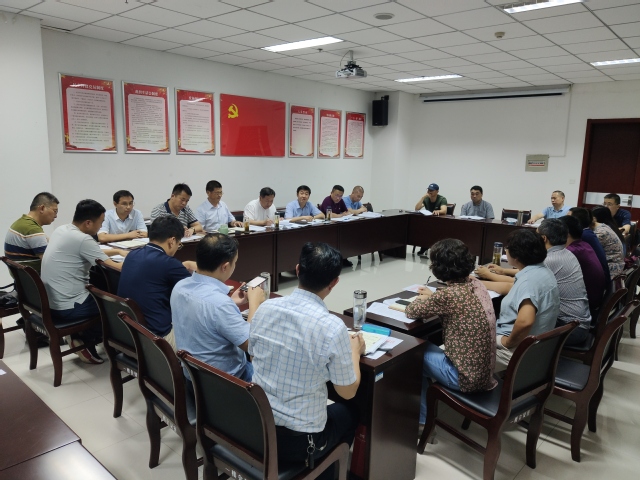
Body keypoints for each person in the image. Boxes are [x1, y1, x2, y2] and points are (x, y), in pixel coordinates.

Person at [249, 243, 365, 480]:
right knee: (352, 410)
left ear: (297, 270)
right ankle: (325, 472)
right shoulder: (332, 327)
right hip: (298, 442)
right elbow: (347, 391)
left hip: (255, 425)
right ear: (334, 282)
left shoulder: (265, 308)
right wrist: (355, 352)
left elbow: (253, 356)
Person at [404, 239, 497, 432]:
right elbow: (453, 303)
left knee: (412, 353)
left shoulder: (448, 296)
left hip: (464, 379)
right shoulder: (477, 284)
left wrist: (424, 299)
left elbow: (412, 311)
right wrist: (433, 298)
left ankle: (422, 422)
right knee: (425, 344)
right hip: (484, 374)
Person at [41, 200, 128, 364]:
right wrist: (137, 259)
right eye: (100, 223)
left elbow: (92, 250)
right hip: (70, 307)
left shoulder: (62, 230)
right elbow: (115, 267)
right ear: (88, 223)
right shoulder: (82, 239)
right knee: (119, 307)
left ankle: (80, 336)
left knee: (102, 288)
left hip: (51, 301)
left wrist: (117, 250)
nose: (100, 227)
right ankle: (86, 340)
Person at [172, 234, 265, 380]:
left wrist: (231, 301)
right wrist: (255, 303)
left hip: (192, 375)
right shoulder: (220, 305)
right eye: (235, 262)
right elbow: (250, 344)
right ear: (225, 267)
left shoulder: (179, 287)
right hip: (226, 382)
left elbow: (203, 312)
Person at [117, 216, 197, 350]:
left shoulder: (132, 255)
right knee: (207, 337)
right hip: (156, 339)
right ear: (172, 241)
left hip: (128, 331)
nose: (177, 248)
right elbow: (197, 294)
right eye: (179, 244)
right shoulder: (169, 263)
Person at [492, 229, 559, 371]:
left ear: (516, 256)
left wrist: (507, 342)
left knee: (454, 350)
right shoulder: (542, 271)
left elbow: (525, 322)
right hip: (538, 348)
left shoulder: (528, 281)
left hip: (516, 352)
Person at [537, 219, 592, 346]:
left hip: (570, 329)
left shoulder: (550, 260)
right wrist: (501, 272)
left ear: (544, 238)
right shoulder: (566, 253)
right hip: (578, 324)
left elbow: (521, 284)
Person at [559, 215, 606, 316]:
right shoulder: (584, 245)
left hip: (585, 307)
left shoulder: (572, 252)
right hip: (594, 299)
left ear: (565, 234)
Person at [4, 192, 59, 274]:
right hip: (35, 278)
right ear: (42, 208)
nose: (56, 216)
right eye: (55, 211)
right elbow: (50, 262)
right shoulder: (32, 229)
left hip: (23, 278)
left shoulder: (21, 223)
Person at [568, 207, 611, 286]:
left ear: (575, 221)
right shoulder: (587, 232)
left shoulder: (584, 236)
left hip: (598, 284)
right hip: (600, 281)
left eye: (568, 218)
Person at [592, 206, 625, 278]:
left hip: (612, 270)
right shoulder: (608, 226)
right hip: (617, 266)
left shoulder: (601, 232)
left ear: (595, 219)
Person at [415, 183, 447, 256]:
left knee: (431, 230)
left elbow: (444, 210)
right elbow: (417, 208)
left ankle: (435, 249)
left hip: (439, 222)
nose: (429, 192)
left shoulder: (442, 199)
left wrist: (438, 211)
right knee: (421, 228)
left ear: (437, 191)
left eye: (431, 190)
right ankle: (424, 246)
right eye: (428, 190)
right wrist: (422, 198)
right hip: (429, 221)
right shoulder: (426, 199)